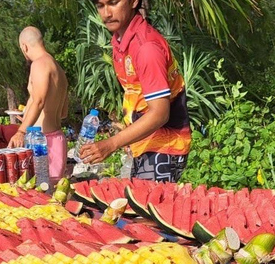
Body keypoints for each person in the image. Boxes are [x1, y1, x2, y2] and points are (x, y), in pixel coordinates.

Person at [78, 0, 191, 182]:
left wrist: (111, 143)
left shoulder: (146, 48)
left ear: (134, 2)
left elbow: (160, 113)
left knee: (148, 208)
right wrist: (128, 134)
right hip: (145, 143)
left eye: (113, 3)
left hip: (164, 146)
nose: (106, 13)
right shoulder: (121, 43)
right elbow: (137, 95)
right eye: (100, 5)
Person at [7, 26, 69, 183]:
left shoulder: (39, 64)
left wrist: (21, 131)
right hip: (57, 138)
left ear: (24, 46)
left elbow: (39, 100)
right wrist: (28, 118)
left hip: (43, 143)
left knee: (40, 196)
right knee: (53, 197)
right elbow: (63, 112)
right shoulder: (59, 69)